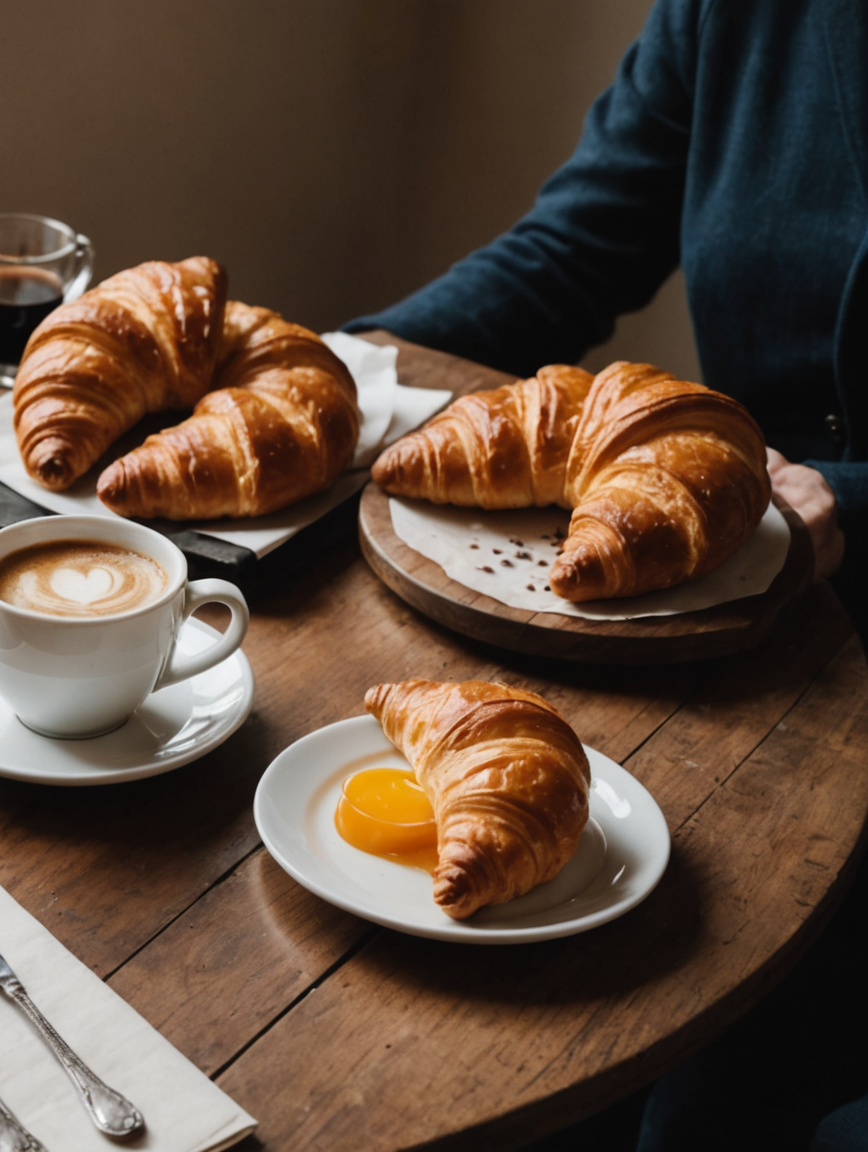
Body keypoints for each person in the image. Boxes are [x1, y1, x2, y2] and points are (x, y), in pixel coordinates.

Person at [345, 1, 866, 1148]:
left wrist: (852, 502)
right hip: (709, 615)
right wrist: (342, 383)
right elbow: (572, 250)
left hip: (797, 611)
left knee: (695, 1084)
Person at [347, 0, 863, 619]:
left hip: (755, 551)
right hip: (730, 582)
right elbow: (578, 250)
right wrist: (353, 365)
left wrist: (851, 499)